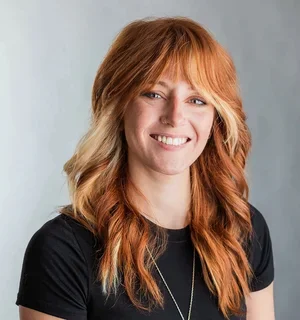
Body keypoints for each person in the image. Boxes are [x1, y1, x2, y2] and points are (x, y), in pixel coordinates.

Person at [16, 16, 275, 320]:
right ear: (119, 103)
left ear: (216, 118)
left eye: (197, 100)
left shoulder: (243, 230)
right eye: (154, 94)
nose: (175, 116)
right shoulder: (63, 249)